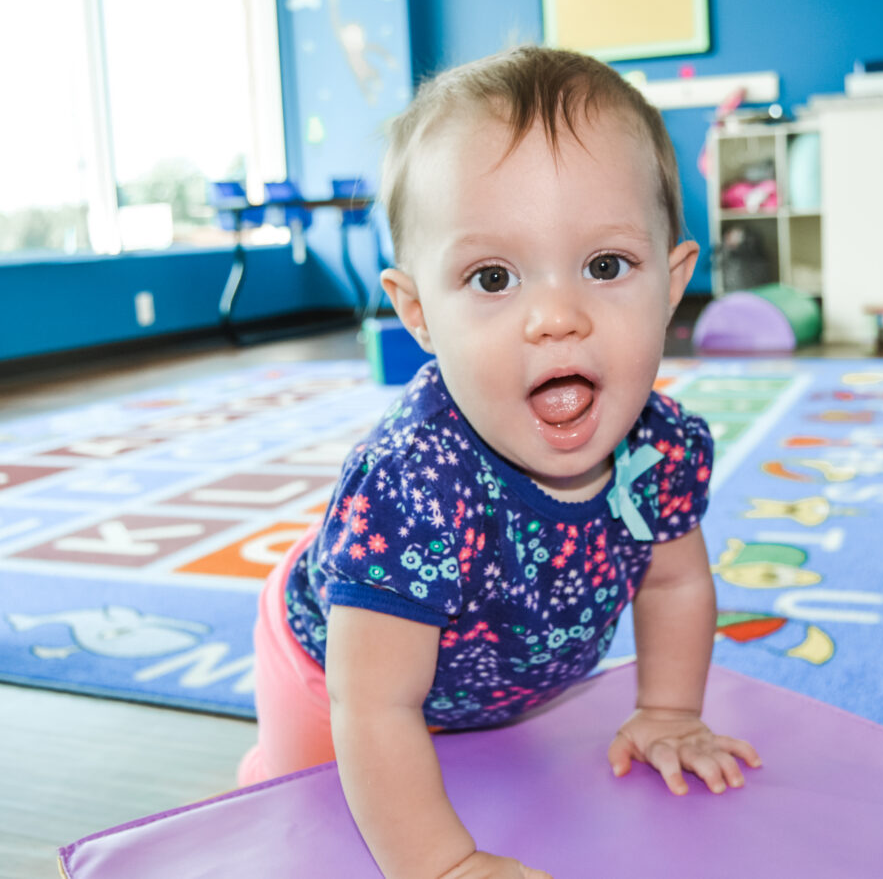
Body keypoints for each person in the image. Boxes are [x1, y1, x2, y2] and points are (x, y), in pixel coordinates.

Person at [239, 44, 761, 879]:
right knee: (308, 824)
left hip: (494, 686)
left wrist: (668, 712)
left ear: (672, 283)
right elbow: (373, 706)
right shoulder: (418, 483)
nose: (556, 316)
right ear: (417, 313)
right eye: (492, 277)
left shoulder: (660, 449)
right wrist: (442, 865)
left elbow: (675, 583)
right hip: (333, 668)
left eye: (604, 265)